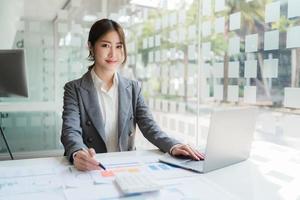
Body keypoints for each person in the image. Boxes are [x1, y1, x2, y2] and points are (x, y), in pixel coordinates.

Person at [61, 18, 204, 171]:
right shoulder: (74, 89)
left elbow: (149, 127)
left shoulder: (133, 87)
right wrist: (77, 153)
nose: (113, 53)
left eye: (118, 46)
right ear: (91, 46)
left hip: (125, 166)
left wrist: (173, 145)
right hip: (92, 167)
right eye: (105, 45)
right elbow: (70, 131)